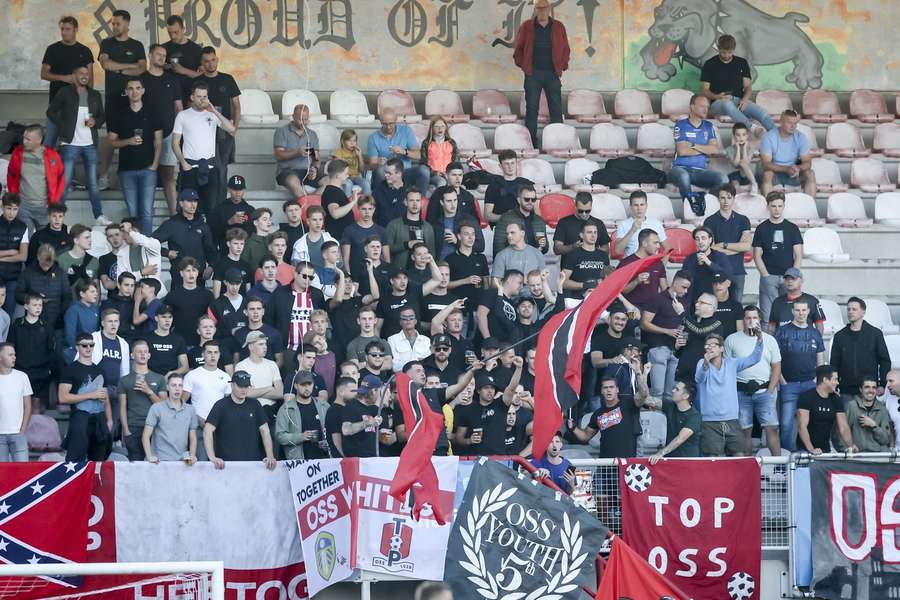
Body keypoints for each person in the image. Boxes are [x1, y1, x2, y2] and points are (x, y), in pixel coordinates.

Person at [47, 64, 108, 224]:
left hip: (90, 144)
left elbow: (102, 116)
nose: (84, 76)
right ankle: (56, 215)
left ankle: (99, 215)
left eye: (86, 74)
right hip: (70, 143)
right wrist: (63, 125)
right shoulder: (65, 92)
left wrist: (96, 121)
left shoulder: (94, 94)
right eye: (81, 73)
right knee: (65, 181)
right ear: (74, 76)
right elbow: (51, 112)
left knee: (93, 183)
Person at [97, 9, 146, 189]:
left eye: (118, 23)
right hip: (113, 99)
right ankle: (103, 176)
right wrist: (127, 67)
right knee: (111, 137)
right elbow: (105, 64)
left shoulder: (137, 45)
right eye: (113, 23)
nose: (114, 26)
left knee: (136, 136)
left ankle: (136, 174)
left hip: (133, 99)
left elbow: (141, 69)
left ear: (127, 24)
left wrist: (117, 69)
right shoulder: (107, 43)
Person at [695, 331, 763, 456]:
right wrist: (705, 363)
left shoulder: (732, 363)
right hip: (710, 421)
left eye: (713, 345)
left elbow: (754, 359)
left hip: (732, 419)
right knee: (712, 459)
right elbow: (699, 379)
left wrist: (759, 340)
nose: (709, 347)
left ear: (721, 348)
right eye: (707, 345)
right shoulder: (701, 363)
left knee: (738, 456)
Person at [171, 82, 236, 214]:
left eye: (205, 96)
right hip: (190, 167)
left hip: (210, 168)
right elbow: (175, 143)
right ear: (192, 97)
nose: (202, 99)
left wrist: (214, 111)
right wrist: (183, 163)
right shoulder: (183, 115)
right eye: (199, 96)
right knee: (188, 209)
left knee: (211, 208)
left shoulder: (212, 114)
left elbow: (231, 129)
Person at [726, 305, 782, 455]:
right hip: (741, 392)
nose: (751, 321)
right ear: (743, 320)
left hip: (764, 390)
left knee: (772, 429)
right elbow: (727, 368)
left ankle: (779, 467)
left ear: (759, 320)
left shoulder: (770, 340)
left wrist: (770, 390)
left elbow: (776, 367)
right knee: (745, 431)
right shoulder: (732, 339)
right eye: (748, 318)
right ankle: (747, 467)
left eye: (754, 317)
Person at [109, 77, 163, 233]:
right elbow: (111, 142)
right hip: (126, 170)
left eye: (138, 88)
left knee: (146, 212)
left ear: (143, 91)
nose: (134, 91)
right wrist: (128, 141)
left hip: (148, 169)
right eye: (131, 89)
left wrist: (154, 165)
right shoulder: (120, 114)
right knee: (132, 214)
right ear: (126, 92)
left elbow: (159, 142)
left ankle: (145, 246)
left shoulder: (153, 112)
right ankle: (134, 247)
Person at [513, 0, 570, 147]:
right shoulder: (526, 26)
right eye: (539, 8)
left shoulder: (558, 27)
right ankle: (531, 143)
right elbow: (518, 49)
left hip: (552, 73)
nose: (542, 11)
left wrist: (562, 65)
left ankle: (557, 142)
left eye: (545, 8)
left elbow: (566, 49)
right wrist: (525, 66)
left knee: (556, 108)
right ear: (535, 10)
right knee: (532, 109)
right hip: (533, 73)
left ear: (549, 9)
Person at [775, 299, 826, 451]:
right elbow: (775, 359)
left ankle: (808, 451)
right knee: (785, 423)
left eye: (804, 310)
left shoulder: (815, 332)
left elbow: (821, 359)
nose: (801, 313)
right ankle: (787, 454)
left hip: (810, 384)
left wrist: (819, 382)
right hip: (788, 384)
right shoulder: (782, 331)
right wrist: (782, 381)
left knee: (811, 421)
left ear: (809, 311)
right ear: (792, 312)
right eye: (798, 310)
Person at [568, 368, 650, 459]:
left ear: (617, 390)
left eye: (611, 387)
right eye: (605, 388)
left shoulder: (629, 403)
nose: (608, 390)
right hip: (606, 465)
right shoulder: (598, 414)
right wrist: (573, 428)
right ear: (602, 391)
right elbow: (585, 436)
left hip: (627, 463)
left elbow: (644, 394)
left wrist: (638, 372)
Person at [700, 34, 776, 131]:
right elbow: (705, 90)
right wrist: (717, 96)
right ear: (718, 49)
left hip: (739, 101)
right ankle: (753, 129)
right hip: (717, 103)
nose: (726, 55)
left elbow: (748, 86)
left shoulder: (742, 63)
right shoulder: (709, 64)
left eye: (729, 52)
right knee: (727, 104)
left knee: (762, 113)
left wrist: (744, 100)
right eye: (723, 52)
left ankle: (777, 137)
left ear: (734, 50)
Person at [141, 43, 184, 215]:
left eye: (164, 55)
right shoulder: (140, 80)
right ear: (150, 56)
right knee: (147, 176)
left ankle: (175, 215)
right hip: (145, 135)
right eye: (158, 54)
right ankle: (145, 217)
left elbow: (179, 108)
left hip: (168, 134)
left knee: (169, 177)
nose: (162, 57)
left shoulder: (172, 80)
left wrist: (179, 134)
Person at [203, 370, 277, 469]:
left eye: (246, 386)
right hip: (226, 466)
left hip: (252, 464)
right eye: (240, 386)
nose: (244, 390)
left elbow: (265, 431)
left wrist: (270, 456)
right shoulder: (220, 405)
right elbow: (207, 430)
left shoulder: (255, 405)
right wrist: (212, 457)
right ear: (232, 385)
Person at [41, 15, 95, 148]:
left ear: (76, 29)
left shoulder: (85, 51)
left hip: (78, 105)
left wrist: (87, 101)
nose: (64, 32)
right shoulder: (52, 49)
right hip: (56, 104)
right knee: (50, 141)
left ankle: (69, 169)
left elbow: (90, 79)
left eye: (68, 29)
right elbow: (44, 74)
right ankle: (47, 168)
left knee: (74, 144)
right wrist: (64, 78)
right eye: (62, 29)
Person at [669, 95, 728, 216]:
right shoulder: (681, 125)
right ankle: (691, 210)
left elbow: (715, 150)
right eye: (702, 106)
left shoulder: (708, 126)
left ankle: (705, 203)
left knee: (723, 179)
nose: (705, 109)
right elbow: (682, 152)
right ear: (692, 107)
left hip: (700, 171)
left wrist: (693, 145)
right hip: (679, 169)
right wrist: (705, 149)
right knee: (684, 176)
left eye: (707, 106)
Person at [59, 332, 113, 461]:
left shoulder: (100, 370)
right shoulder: (70, 369)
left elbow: (105, 397)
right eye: (84, 345)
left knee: (99, 462)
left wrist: (109, 420)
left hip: (100, 419)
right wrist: (91, 395)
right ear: (77, 347)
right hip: (80, 418)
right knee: (75, 461)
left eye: (91, 345)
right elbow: (62, 397)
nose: (88, 348)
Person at [752, 191, 803, 323]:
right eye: (773, 206)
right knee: (767, 318)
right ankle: (768, 344)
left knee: (788, 317)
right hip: (769, 277)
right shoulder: (761, 228)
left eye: (780, 206)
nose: (777, 209)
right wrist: (765, 276)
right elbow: (757, 255)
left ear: (784, 206)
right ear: (768, 206)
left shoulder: (792, 228)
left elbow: (798, 254)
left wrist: (793, 275)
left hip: (788, 278)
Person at [641, 271, 692, 402]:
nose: (685, 291)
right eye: (684, 287)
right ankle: (656, 421)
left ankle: (667, 421)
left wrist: (681, 331)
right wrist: (667, 331)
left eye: (687, 288)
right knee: (657, 391)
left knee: (670, 393)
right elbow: (644, 323)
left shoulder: (684, 302)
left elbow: (686, 324)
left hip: (675, 350)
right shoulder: (657, 299)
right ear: (675, 283)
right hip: (658, 348)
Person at [267, 262, 326, 375]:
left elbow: (323, 318)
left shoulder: (317, 294)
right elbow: (270, 319)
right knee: (290, 381)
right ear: (295, 274)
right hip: (289, 349)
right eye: (304, 276)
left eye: (311, 277)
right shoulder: (280, 293)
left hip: (313, 351)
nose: (307, 280)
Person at [6, 125, 66, 232]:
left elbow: (61, 179)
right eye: (24, 137)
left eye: (28, 139)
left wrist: (54, 201)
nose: (24, 141)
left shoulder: (52, 155)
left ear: (38, 140)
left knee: (43, 241)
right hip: (23, 206)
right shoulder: (18, 153)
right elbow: (11, 175)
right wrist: (14, 197)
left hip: (43, 207)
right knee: (26, 239)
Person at [831, 297, 892, 401]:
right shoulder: (839, 336)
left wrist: (882, 384)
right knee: (848, 417)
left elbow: (885, 361)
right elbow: (834, 363)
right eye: (848, 309)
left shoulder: (875, 334)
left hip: (868, 389)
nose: (850, 312)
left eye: (854, 309)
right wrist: (834, 384)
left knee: (866, 418)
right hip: (846, 390)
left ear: (863, 312)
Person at [199, 46, 241, 195]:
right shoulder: (198, 82)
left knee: (222, 168)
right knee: (207, 168)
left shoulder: (227, 79)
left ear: (217, 59)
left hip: (224, 129)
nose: (210, 64)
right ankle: (208, 203)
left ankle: (221, 202)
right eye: (206, 61)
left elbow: (237, 106)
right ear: (202, 63)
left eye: (213, 60)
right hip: (204, 131)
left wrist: (234, 128)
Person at [153, 188, 218, 285]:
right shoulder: (171, 224)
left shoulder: (203, 225)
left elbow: (211, 250)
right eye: (189, 201)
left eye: (195, 201)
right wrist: (166, 252)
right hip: (178, 275)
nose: (193, 204)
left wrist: (211, 266)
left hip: (198, 276)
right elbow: (151, 242)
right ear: (181, 203)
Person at [118, 339, 166, 461]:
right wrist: (126, 431)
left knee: (157, 464)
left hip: (155, 427)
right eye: (139, 352)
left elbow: (164, 406)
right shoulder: (124, 380)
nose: (143, 354)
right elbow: (122, 408)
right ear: (132, 355)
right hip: (134, 427)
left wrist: (149, 391)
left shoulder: (159, 378)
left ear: (149, 355)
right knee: (137, 464)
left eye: (145, 352)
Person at [182, 340, 232, 452]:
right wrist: (196, 418)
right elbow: (182, 402)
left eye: (216, 352)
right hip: (198, 425)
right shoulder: (192, 375)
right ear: (203, 354)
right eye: (209, 352)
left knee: (220, 465)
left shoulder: (226, 377)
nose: (213, 355)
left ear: (219, 355)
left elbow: (230, 403)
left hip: (220, 427)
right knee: (201, 463)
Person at [705, 183, 752, 303]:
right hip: (718, 270)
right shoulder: (710, 221)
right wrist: (737, 248)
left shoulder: (743, 220)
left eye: (729, 197)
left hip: (738, 270)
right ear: (718, 199)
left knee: (736, 307)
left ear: (734, 199)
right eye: (722, 198)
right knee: (716, 306)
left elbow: (746, 246)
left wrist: (723, 245)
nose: (726, 201)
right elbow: (711, 249)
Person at [796, 365, 857, 455]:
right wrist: (811, 449)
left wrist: (851, 446)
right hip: (804, 450)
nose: (837, 383)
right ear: (825, 380)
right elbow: (802, 426)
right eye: (835, 379)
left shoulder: (836, 399)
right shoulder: (806, 397)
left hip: (825, 449)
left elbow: (843, 427)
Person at [8, 294, 54, 412]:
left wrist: (48, 369)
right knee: (18, 408)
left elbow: (50, 350)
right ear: (26, 306)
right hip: (20, 371)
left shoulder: (47, 327)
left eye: (40, 305)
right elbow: (11, 348)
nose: (38, 308)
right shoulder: (16, 325)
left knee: (36, 410)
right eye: (34, 305)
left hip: (40, 373)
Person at [367, 108, 430, 193]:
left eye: (391, 123)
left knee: (424, 170)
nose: (388, 127)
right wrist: (377, 162)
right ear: (380, 121)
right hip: (387, 173)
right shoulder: (373, 137)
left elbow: (418, 155)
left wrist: (404, 151)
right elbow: (371, 165)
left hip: (405, 172)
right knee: (380, 171)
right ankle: (381, 201)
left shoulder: (406, 131)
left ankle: (418, 201)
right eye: (384, 124)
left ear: (396, 119)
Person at [142, 373, 198, 463]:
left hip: (182, 461)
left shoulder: (190, 409)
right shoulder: (156, 408)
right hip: (159, 461)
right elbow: (145, 435)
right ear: (167, 387)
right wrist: (149, 457)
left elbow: (193, 437)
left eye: (180, 385)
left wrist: (192, 455)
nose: (177, 388)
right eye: (173, 385)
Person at [760, 109, 816, 197]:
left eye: (795, 123)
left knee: (810, 173)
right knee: (767, 174)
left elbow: (808, 163)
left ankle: (810, 207)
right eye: (789, 123)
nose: (793, 126)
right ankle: (770, 206)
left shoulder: (801, 137)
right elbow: (766, 164)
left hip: (794, 174)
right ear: (781, 122)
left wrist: (798, 168)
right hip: (775, 174)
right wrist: (786, 169)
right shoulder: (769, 137)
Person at [275, 370, 329, 460]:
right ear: (296, 386)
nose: (307, 388)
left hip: (322, 461)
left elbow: (333, 431)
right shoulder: (286, 409)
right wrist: (301, 437)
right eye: (303, 385)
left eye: (309, 384)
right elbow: (280, 436)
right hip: (299, 462)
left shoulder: (324, 406)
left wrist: (327, 443)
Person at [234, 331, 284, 426]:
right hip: (250, 411)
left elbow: (281, 393)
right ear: (250, 347)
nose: (265, 347)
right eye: (260, 344)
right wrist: (269, 388)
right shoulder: (241, 366)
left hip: (271, 411)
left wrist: (255, 392)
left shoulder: (272, 364)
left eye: (265, 344)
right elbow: (246, 393)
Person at [15, 243, 69, 329]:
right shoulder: (28, 272)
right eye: (44, 264)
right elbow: (18, 295)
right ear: (38, 257)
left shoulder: (61, 273)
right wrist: (34, 297)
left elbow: (67, 297)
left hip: (56, 320)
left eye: (49, 265)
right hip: (32, 321)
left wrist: (61, 315)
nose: (46, 268)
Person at [274, 104, 322, 198]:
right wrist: (297, 152)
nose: (303, 123)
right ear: (293, 117)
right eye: (300, 119)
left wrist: (315, 169)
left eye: (306, 119)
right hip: (287, 171)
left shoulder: (312, 135)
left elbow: (316, 158)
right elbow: (278, 155)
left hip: (307, 172)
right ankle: (308, 207)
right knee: (293, 181)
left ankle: (310, 204)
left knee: (329, 181)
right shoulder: (282, 131)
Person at [649, 380, 701, 462]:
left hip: (688, 462)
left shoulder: (694, 416)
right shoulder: (670, 406)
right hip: (671, 459)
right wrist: (643, 375)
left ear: (685, 396)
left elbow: (679, 439)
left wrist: (660, 453)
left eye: (677, 389)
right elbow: (648, 400)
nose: (672, 391)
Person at [165, 258, 213, 346]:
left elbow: (212, 320)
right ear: (181, 273)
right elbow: (166, 320)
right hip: (178, 343)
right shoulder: (172, 296)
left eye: (194, 270)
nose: (191, 274)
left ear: (198, 273)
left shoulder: (207, 295)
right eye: (188, 271)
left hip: (201, 344)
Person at [681, 226, 732, 303]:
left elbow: (727, 275)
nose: (700, 241)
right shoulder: (689, 259)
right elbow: (684, 280)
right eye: (697, 239)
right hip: (695, 300)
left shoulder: (720, 256)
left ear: (710, 240)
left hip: (715, 299)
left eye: (703, 238)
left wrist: (709, 262)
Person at [767, 268, 825, 334]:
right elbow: (771, 326)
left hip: (805, 342)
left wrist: (817, 342)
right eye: (787, 279)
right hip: (782, 342)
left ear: (801, 281)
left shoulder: (812, 301)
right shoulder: (777, 302)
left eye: (793, 278)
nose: (789, 281)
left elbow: (819, 326)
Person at [494, 185, 548, 257]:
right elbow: (498, 247)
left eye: (533, 199)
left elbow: (544, 249)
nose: (530, 202)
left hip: (533, 262)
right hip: (512, 262)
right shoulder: (506, 218)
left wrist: (543, 246)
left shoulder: (539, 220)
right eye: (526, 199)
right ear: (519, 200)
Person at [387, 188, 435, 268]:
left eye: (417, 200)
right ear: (405, 202)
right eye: (412, 200)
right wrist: (407, 244)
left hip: (422, 273)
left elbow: (432, 253)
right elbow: (386, 248)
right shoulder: (393, 224)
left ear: (421, 203)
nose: (415, 204)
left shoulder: (428, 227)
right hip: (400, 273)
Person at [560, 220, 609, 299]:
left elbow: (608, 279)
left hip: (599, 299)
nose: (593, 235)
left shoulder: (603, 255)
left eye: (595, 232)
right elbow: (563, 282)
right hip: (577, 300)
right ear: (581, 235)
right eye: (589, 232)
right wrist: (585, 285)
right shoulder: (572, 255)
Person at [0, 343, 32, 462]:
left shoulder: (22, 377)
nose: (14, 357)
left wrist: (22, 429)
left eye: (14, 354)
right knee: (1, 475)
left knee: (22, 473)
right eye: (10, 355)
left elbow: (28, 406)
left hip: (18, 434)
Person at [161, 15, 203, 105]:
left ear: (183, 29)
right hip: (169, 96)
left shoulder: (196, 49)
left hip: (190, 96)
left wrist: (183, 70)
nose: (173, 36)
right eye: (170, 33)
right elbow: (155, 70)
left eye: (176, 32)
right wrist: (167, 66)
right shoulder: (164, 48)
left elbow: (203, 76)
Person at [341, 375, 386, 458]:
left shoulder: (370, 409)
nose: (379, 396)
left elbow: (367, 434)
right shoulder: (352, 406)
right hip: (357, 461)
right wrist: (368, 422)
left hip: (370, 459)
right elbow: (346, 430)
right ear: (374, 391)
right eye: (379, 392)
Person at [614, 191, 669, 258]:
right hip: (632, 265)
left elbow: (668, 249)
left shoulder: (656, 224)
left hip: (651, 264)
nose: (639, 208)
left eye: (642, 204)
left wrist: (661, 265)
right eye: (636, 205)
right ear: (631, 206)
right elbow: (617, 251)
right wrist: (632, 230)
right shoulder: (623, 225)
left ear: (646, 206)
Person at [483, 150, 533, 223]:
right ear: (500, 166)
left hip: (524, 225)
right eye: (506, 164)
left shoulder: (527, 184)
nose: (510, 167)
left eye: (512, 163)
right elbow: (487, 215)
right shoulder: (493, 186)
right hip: (502, 226)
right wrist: (507, 217)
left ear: (517, 164)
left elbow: (536, 212)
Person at [554, 192, 610, 256]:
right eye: (580, 211)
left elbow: (606, 250)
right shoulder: (564, 223)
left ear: (591, 206)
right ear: (575, 206)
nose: (584, 214)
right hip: (570, 265)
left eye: (587, 211)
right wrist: (573, 247)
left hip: (594, 264)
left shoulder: (599, 224)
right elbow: (557, 249)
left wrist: (590, 248)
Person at [0, 194, 29, 317]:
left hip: (13, 279)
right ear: (2, 207)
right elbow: (17, 254)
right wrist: (11, 252)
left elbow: (23, 257)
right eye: (8, 208)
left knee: (8, 315)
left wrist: (2, 258)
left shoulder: (23, 227)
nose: (11, 212)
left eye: (15, 209)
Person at [846, 378, 892, 452]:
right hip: (856, 457)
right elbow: (839, 433)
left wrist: (874, 426)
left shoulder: (882, 409)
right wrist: (848, 448)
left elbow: (885, 440)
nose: (871, 390)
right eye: (867, 387)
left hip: (877, 457)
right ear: (861, 389)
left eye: (874, 387)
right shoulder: (852, 406)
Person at [210, 175, 254, 253]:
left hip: (246, 253)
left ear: (244, 190)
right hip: (225, 252)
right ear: (228, 189)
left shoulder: (250, 210)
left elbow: (253, 233)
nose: (237, 193)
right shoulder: (219, 209)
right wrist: (229, 222)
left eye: (240, 189)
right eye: (234, 189)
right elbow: (213, 232)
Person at [145, 305, 189, 377]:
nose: (167, 320)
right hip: (151, 378)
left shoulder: (178, 339)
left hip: (171, 379)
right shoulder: (147, 338)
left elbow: (185, 367)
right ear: (156, 318)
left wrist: (171, 373)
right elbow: (140, 363)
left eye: (170, 317)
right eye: (163, 317)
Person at [322, 160, 361, 241]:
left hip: (343, 237)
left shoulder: (335, 190)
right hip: (339, 238)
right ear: (337, 175)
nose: (348, 175)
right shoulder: (332, 191)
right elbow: (335, 213)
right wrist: (353, 202)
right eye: (346, 173)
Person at [387, 307, 431, 371]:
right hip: (403, 377)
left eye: (411, 317)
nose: (408, 320)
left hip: (423, 376)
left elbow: (428, 363)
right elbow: (395, 367)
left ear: (415, 321)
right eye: (404, 318)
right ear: (400, 322)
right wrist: (418, 361)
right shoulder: (392, 340)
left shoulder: (426, 340)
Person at [64, 278, 100, 354]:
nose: (96, 294)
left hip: (92, 350)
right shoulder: (73, 310)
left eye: (96, 291)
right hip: (77, 351)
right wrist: (78, 349)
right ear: (82, 294)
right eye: (92, 292)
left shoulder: (96, 309)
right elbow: (70, 335)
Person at [420, 116, 458, 187]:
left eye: (442, 126)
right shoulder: (426, 143)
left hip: (449, 174)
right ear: (432, 128)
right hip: (434, 175)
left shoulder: (451, 142)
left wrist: (449, 173)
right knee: (441, 182)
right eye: (437, 126)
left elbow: (456, 162)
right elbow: (423, 163)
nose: (440, 129)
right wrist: (434, 172)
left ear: (446, 128)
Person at [212, 229, 251, 298]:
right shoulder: (221, 264)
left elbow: (248, 291)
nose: (239, 247)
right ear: (228, 244)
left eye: (242, 244)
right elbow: (216, 293)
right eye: (236, 243)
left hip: (242, 306)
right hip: (224, 305)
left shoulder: (246, 265)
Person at [325, 377, 357, 457]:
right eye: (352, 391)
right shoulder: (334, 411)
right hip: (341, 461)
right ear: (341, 392)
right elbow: (336, 439)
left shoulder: (347, 409)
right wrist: (346, 458)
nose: (355, 394)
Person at [334, 128, 371, 196]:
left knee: (366, 183)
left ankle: (368, 203)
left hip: (356, 177)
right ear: (343, 141)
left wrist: (359, 156)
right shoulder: (339, 152)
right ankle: (347, 204)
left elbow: (362, 169)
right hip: (345, 178)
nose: (352, 143)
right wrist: (341, 161)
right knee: (348, 184)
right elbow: (336, 168)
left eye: (354, 141)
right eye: (349, 141)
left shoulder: (356, 152)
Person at [725, 123, 759, 194]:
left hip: (747, 175)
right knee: (735, 185)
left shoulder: (750, 148)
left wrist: (744, 148)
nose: (741, 138)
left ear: (747, 136)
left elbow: (746, 162)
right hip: (734, 175)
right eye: (738, 135)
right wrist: (737, 148)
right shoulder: (730, 149)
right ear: (734, 136)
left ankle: (754, 183)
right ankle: (739, 200)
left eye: (743, 135)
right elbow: (735, 164)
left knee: (743, 163)